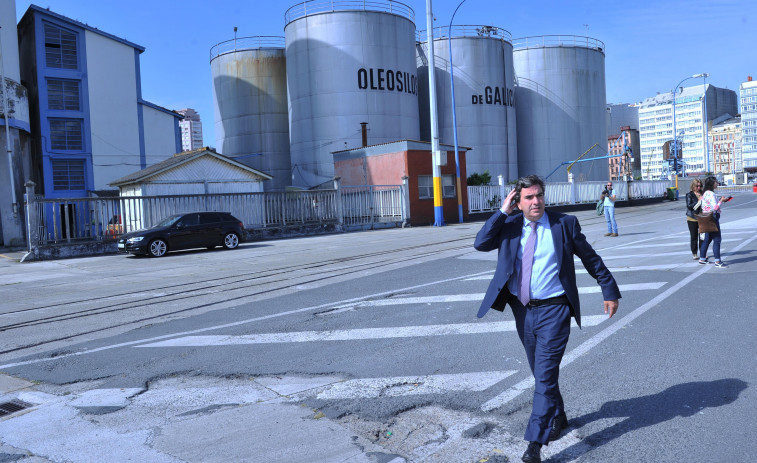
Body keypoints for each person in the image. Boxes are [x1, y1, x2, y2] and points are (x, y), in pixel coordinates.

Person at [474, 175, 621, 463]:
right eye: (528, 197)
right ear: (518, 201)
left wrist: (609, 289)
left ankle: (534, 445)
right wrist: (503, 212)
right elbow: (481, 243)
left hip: (555, 310)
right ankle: (559, 416)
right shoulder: (510, 226)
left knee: (543, 375)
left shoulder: (563, 224)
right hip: (522, 309)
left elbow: (590, 258)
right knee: (541, 373)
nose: (536, 201)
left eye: (539, 195)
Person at [699, 176, 730, 268]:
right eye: (716, 182)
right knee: (717, 239)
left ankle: (702, 258)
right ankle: (718, 261)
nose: (717, 183)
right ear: (712, 184)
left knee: (707, 239)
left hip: (705, 217)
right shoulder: (711, 194)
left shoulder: (705, 193)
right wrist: (721, 201)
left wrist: (719, 201)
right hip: (712, 217)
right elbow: (715, 207)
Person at [685, 179, 703, 260]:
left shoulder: (702, 194)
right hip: (692, 218)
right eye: (697, 186)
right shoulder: (689, 195)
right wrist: (698, 201)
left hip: (702, 217)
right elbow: (689, 206)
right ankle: (694, 253)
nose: (699, 188)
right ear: (693, 186)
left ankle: (703, 252)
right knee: (694, 236)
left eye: (700, 186)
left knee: (702, 236)